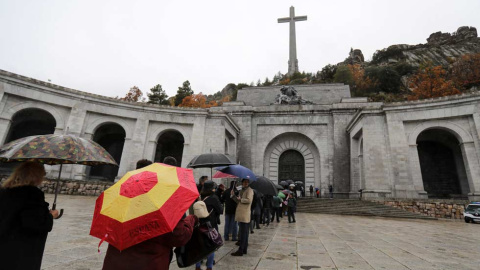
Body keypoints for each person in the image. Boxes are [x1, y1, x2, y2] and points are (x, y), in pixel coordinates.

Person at [103, 158, 199, 270]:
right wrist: (191, 219)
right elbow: (179, 237)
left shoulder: (118, 202)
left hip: (115, 263)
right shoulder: (162, 204)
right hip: (149, 264)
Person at [0, 161, 60, 270]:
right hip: (21, 251)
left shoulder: (4, 191)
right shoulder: (32, 195)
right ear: (36, 176)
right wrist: (51, 215)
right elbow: (35, 223)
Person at [195, 181, 223, 270]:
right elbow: (220, 210)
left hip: (199, 225)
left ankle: (197, 266)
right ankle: (209, 266)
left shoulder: (199, 197)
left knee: (199, 245)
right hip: (210, 225)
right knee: (211, 245)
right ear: (212, 188)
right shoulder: (214, 198)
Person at [230, 178, 253, 256]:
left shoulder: (249, 190)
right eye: (244, 182)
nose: (246, 183)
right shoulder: (242, 190)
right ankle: (244, 249)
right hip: (241, 214)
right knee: (244, 233)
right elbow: (238, 201)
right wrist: (233, 196)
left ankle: (241, 250)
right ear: (242, 182)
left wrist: (241, 199)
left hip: (244, 214)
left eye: (247, 182)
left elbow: (249, 200)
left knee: (243, 233)